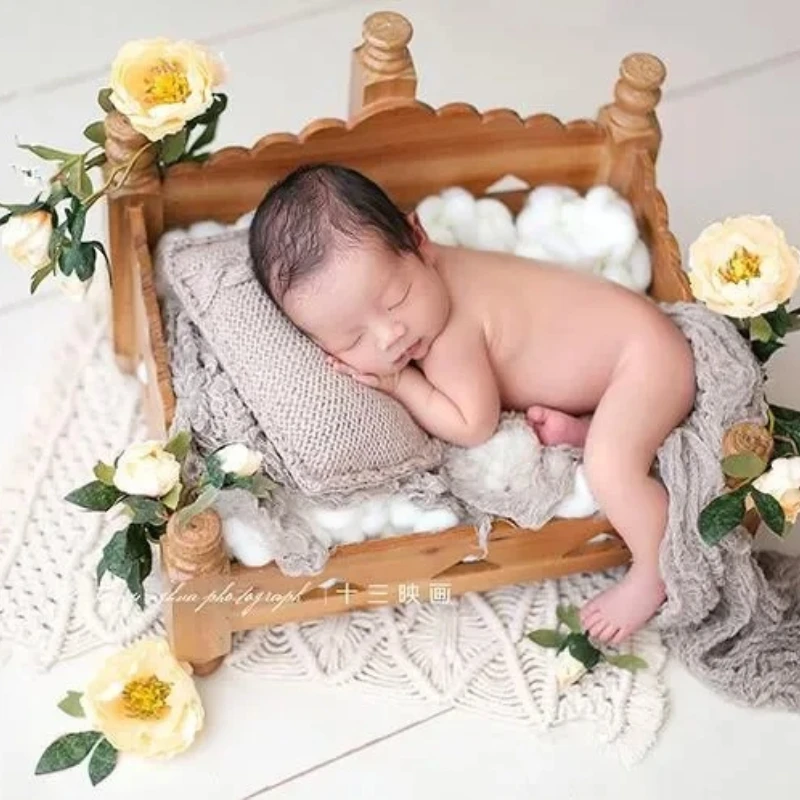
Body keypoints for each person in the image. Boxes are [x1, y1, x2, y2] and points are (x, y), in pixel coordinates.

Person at [248, 163, 696, 644]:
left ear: (419, 239)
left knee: (612, 468)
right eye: (353, 338)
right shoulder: (431, 277)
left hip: (646, 362)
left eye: (397, 298)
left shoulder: (448, 335)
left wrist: (401, 385)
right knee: (609, 439)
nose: (389, 337)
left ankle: (654, 569)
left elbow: (473, 424)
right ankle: (591, 429)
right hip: (622, 360)